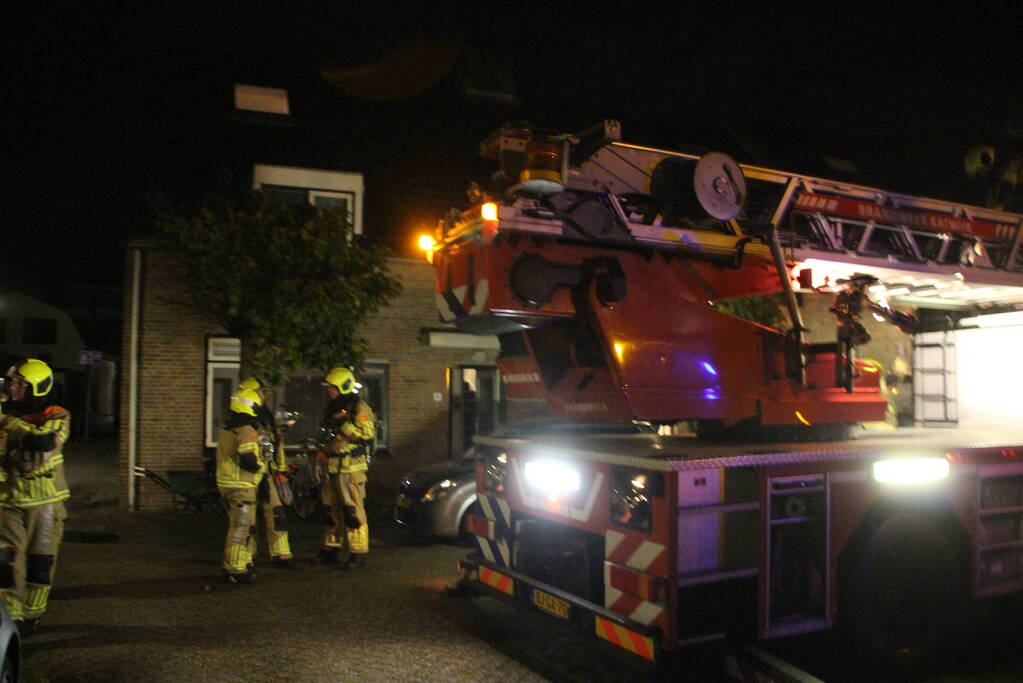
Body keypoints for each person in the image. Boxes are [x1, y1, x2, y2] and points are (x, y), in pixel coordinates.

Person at [0, 359, 70, 634]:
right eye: (12, 382)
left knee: (41, 563)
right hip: (8, 502)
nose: (14, 388)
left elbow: (43, 442)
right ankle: (9, 617)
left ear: (38, 388)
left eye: (21, 384)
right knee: (6, 561)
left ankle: (31, 615)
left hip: (46, 505)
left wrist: (7, 423)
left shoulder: (56, 414)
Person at [237, 377, 300, 571]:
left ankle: (281, 554)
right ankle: (246, 557)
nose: (263, 396)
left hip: (268, 473)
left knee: (277, 512)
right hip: (248, 475)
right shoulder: (243, 420)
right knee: (248, 518)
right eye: (260, 392)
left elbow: (273, 445)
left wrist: (281, 468)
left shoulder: (265, 416)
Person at [317, 367, 375, 570]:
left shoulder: (359, 407)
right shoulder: (332, 407)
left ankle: (358, 552)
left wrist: (344, 424)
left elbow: (366, 435)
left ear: (343, 387)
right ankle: (331, 548)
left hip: (351, 468)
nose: (329, 391)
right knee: (330, 509)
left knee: (352, 510)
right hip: (332, 465)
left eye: (333, 388)